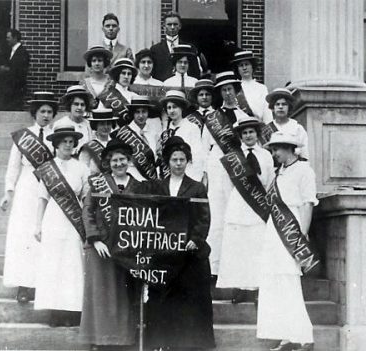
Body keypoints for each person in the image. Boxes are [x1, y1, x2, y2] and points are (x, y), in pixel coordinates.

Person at [140, 136, 215, 350]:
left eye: (182, 159)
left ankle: (191, 344)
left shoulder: (197, 188)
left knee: (190, 301)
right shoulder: (158, 186)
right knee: (163, 301)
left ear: (188, 161)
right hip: (165, 254)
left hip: (190, 254)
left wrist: (195, 240)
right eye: (174, 159)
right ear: (167, 162)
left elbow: (204, 218)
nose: (178, 163)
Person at [257, 131, 317, 351]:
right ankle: (285, 336)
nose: (274, 153)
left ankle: (304, 337)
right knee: (274, 281)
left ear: (290, 148)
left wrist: (300, 236)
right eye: (272, 149)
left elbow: (307, 204)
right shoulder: (278, 172)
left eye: (277, 149)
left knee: (289, 282)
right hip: (274, 230)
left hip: (291, 232)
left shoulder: (304, 170)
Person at [79, 139, 139, 350]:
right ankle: (99, 339)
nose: (119, 163)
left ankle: (122, 339)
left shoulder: (138, 186)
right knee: (101, 295)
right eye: (114, 160)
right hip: (101, 249)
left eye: (122, 159)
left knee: (123, 296)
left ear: (129, 161)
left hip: (126, 250)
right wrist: (95, 240)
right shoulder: (97, 182)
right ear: (108, 162)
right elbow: (87, 211)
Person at [0, 91, 57, 303]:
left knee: (44, 235)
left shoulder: (55, 138)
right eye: (42, 111)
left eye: (50, 111)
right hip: (26, 189)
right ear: (35, 113)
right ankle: (23, 285)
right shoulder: (23, 137)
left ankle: (40, 283)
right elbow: (13, 167)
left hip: (48, 190)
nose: (46, 115)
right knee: (24, 236)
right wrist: (8, 192)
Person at [33, 125, 90, 326]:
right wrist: (38, 224)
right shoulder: (48, 168)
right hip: (53, 219)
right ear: (56, 144)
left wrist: (86, 226)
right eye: (63, 141)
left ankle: (72, 312)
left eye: (70, 141)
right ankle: (55, 312)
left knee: (72, 265)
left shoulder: (82, 168)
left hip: (74, 222)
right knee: (53, 265)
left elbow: (86, 198)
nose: (68, 145)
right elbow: (42, 198)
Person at [216, 116, 275, 303]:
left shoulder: (265, 155)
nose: (248, 135)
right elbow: (226, 186)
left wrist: (263, 201)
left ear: (257, 134)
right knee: (238, 248)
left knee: (257, 248)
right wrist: (233, 204)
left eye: (251, 132)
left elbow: (270, 181)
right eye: (245, 133)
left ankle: (258, 289)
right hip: (238, 205)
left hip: (258, 206)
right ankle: (240, 288)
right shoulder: (234, 157)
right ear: (240, 136)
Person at [201, 71, 246, 277]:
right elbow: (204, 148)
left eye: (231, 89)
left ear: (236, 91)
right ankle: (214, 266)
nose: (228, 93)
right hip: (216, 165)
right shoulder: (212, 118)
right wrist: (205, 175)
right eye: (224, 90)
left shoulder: (244, 117)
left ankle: (236, 266)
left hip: (236, 165)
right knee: (217, 214)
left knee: (235, 213)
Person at [159, 90, 205, 181]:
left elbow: (197, 157)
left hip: (188, 175)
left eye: (175, 107)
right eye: (169, 108)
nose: (171, 111)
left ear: (182, 108)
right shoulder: (165, 131)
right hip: (169, 177)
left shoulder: (192, 128)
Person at [113, 96, 160, 181]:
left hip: (150, 180)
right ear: (132, 114)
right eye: (137, 112)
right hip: (131, 179)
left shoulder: (154, 133)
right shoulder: (124, 134)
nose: (141, 115)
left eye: (144, 112)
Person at [150, 12, 205, 81]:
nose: (172, 27)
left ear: (180, 26)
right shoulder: (155, 49)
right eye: (169, 24)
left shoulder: (189, 48)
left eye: (175, 24)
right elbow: (153, 73)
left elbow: (195, 72)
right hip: (163, 88)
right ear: (164, 26)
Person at [261, 88, 309, 161]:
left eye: (284, 104)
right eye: (277, 104)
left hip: (294, 168)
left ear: (289, 107)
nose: (280, 107)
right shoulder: (265, 130)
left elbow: (305, 153)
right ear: (272, 108)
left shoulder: (297, 128)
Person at [231, 50, 272, 124]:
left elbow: (267, 114)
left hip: (257, 128)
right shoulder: (234, 88)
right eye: (241, 65)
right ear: (237, 69)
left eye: (247, 64)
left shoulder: (262, 88)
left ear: (252, 66)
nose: (244, 68)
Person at [54, 85, 94, 154]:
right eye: (76, 104)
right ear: (69, 105)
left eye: (82, 105)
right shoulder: (60, 123)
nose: (79, 107)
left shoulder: (88, 124)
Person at [79, 106, 118, 174]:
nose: (106, 127)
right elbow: (82, 170)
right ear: (95, 125)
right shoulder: (89, 147)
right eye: (102, 124)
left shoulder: (117, 143)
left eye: (108, 123)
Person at [103, 58, 139, 126]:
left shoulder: (135, 96)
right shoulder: (107, 95)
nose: (126, 76)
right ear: (117, 74)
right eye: (123, 73)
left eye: (129, 74)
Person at [2, 29, 30, 110]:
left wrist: (6, 69)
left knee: (15, 108)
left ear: (15, 38)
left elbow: (20, 71)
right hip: (11, 87)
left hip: (16, 87)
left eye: (8, 38)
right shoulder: (11, 51)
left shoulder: (22, 53)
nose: (7, 40)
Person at [80, 46, 113, 110]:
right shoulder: (84, 84)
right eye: (94, 61)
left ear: (105, 63)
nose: (97, 63)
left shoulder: (111, 82)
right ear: (90, 63)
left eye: (100, 60)